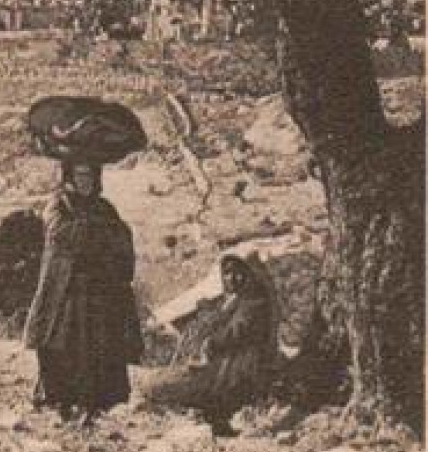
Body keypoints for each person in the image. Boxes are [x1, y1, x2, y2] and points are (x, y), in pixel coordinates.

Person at [23, 161, 144, 422]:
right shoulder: (59, 205)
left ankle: (100, 401)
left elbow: (121, 235)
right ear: (70, 176)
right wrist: (92, 230)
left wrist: (102, 235)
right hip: (66, 290)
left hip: (100, 288)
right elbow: (60, 234)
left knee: (99, 343)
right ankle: (60, 400)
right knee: (64, 342)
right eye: (80, 174)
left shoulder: (104, 207)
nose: (85, 181)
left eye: (90, 175)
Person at [144, 253, 280, 435]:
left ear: (248, 273)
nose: (231, 278)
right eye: (226, 273)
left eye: (237, 272)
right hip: (232, 357)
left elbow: (238, 331)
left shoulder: (255, 301)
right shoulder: (239, 299)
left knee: (195, 385)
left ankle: (217, 417)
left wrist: (212, 343)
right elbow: (223, 322)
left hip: (245, 362)